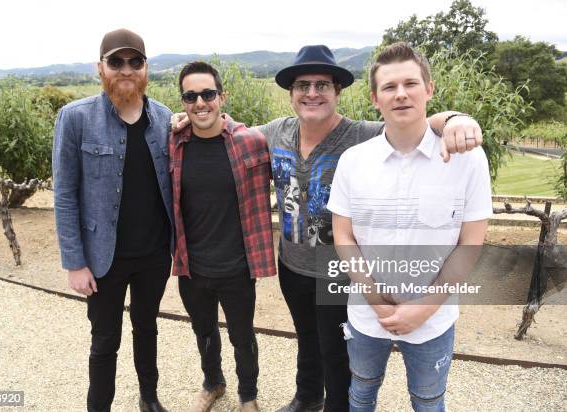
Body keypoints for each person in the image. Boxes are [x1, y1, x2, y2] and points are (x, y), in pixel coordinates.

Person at [172, 44, 483, 412]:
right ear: (291, 95)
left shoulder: (360, 136)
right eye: (303, 85)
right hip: (293, 263)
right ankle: (306, 399)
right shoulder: (273, 134)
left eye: (323, 85)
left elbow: (410, 120)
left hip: (337, 269)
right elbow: (225, 130)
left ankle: (335, 404)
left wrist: (453, 120)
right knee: (305, 339)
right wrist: (185, 117)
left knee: (336, 351)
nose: (312, 93)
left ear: (338, 92)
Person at [328, 42, 491, 411]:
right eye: (389, 87)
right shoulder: (354, 161)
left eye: (410, 83)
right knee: (361, 393)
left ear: (429, 89)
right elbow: (343, 234)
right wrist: (374, 298)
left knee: (429, 402)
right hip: (367, 315)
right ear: (374, 98)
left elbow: (471, 243)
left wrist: (424, 308)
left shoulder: (468, 160)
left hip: (435, 320)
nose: (400, 94)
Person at [53, 28, 173, 412]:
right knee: (105, 340)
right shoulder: (74, 118)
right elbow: (65, 196)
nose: (126, 69)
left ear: (145, 68)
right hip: (103, 258)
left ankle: (149, 399)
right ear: (100, 67)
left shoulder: (165, 118)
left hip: (154, 255)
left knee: (147, 329)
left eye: (134, 61)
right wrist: (74, 262)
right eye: (116, 61)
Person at [169, 61, 275, 412]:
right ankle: (213, 383)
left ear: (221, 97)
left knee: (242, 337)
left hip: (238, 267)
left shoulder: (252, 142)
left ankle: (248, 395)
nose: (200, 103)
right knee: (204, 334)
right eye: (191, 96)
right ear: (183, 102)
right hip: (192, 267)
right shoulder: (173, 144)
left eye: (207, 94)